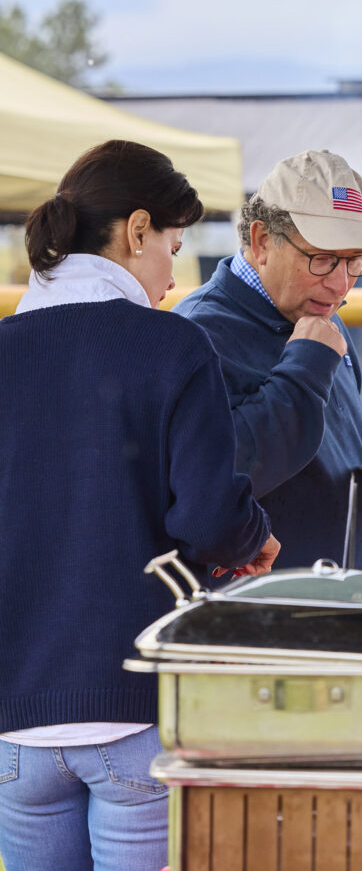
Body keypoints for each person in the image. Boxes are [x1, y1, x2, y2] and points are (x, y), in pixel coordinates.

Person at [0, 140, 278, 871]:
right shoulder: (171, 346)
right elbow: (210, 520)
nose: (169, 277)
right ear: (137, 230)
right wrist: (254, 533)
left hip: (15, 724)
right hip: (136, 713)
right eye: (174, 248)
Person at [175, 149, 362, 572]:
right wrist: (307, 365)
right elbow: (215, 485)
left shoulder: (317, 313)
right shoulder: (198, 333)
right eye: (323, 258)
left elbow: (310, 469)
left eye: (354, 261)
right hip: (258, 617)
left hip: (339, 602)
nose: (340, 283)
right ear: (260, 242)